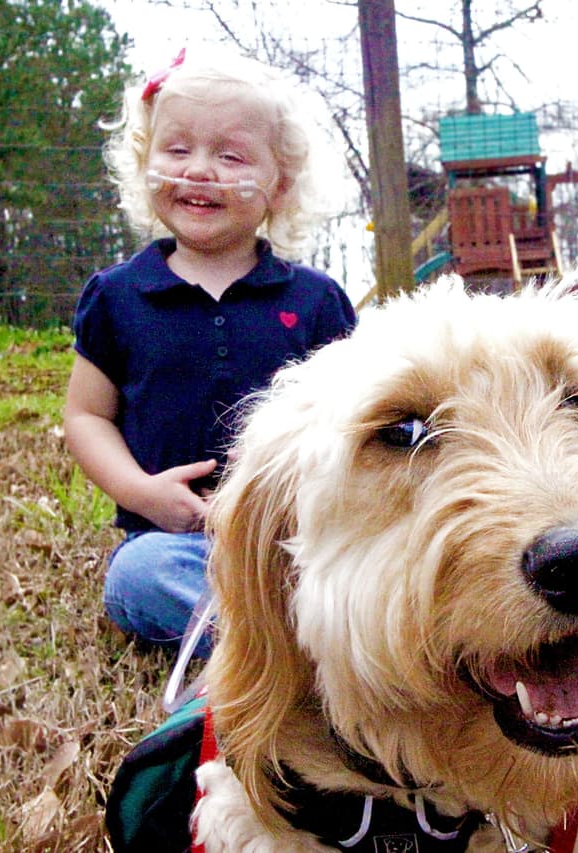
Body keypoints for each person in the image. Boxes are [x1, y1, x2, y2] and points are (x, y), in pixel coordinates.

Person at [63, 48, 356, 659]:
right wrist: (143, 494)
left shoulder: (316, 300)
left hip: (298, 545)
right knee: (135, 580)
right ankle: (279, 653)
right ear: (145, 163)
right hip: (180, 547)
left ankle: (301, 633)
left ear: (279, 182)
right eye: (176, 150)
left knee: (358, 576)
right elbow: (85, 417)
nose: (199, 171)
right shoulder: (118, 297)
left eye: (230, 155)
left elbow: (354, 422)